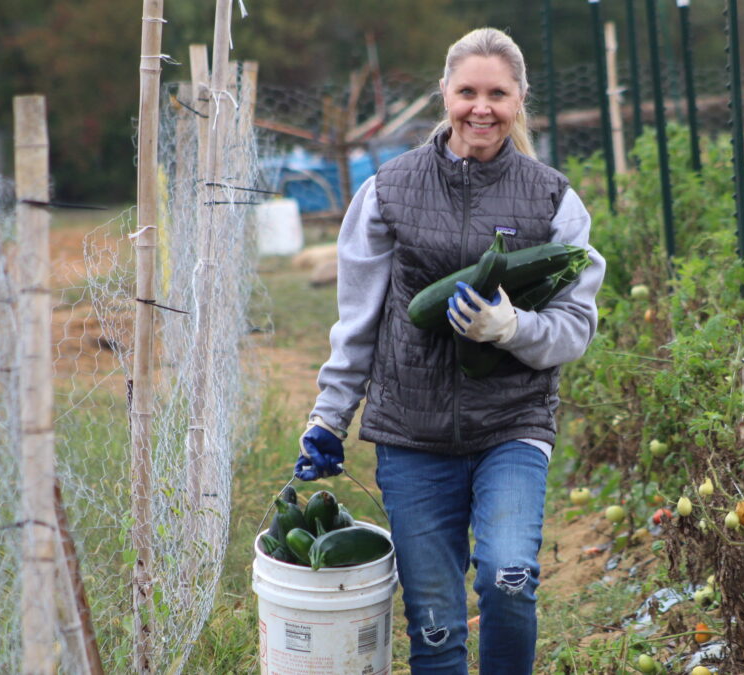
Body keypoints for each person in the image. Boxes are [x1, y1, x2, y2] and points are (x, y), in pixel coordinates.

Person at [295, 26, 605, 675]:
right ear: (445, 93)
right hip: (411, 431)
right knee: (435, 626)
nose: (481, 108)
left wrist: (513, 329)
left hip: (512, 425)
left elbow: (576, 325)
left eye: (497, 92)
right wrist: (329, 417)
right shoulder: (388, 190)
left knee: (510, 576)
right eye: (467, 91)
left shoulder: (554, 200)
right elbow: (358, 321)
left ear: (520, 97)